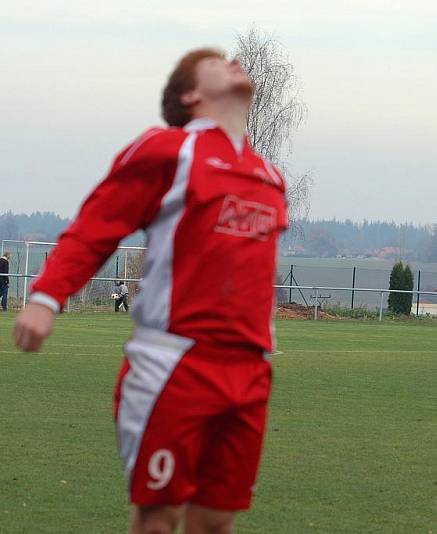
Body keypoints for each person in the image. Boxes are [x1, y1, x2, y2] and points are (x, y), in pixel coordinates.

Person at [13, 48, 288, 532]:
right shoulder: (170, 149)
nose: (233, 61)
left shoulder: (268, 175)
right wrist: (46, 297)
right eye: (216, 60)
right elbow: (97, 224)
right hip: (175, 362)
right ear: (190, 94)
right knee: (159, 515)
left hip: (249, 368)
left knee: (217, 519)